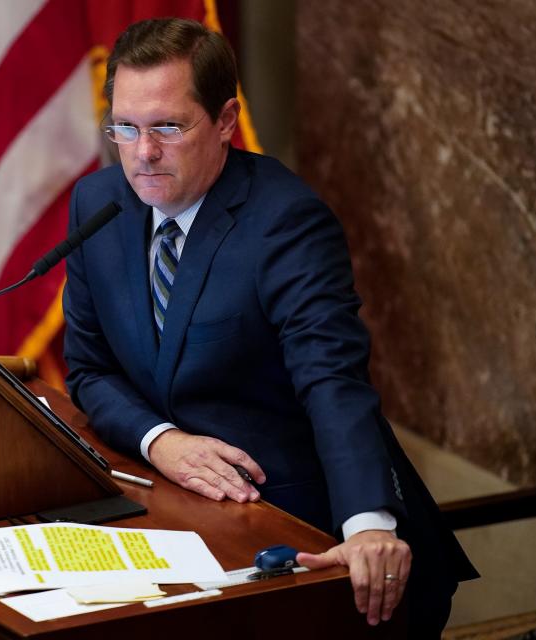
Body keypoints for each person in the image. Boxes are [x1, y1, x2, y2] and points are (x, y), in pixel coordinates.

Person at [62, 17, 476, 635]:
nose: (142, 152)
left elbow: (332, 381)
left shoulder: (285, 222)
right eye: (125, 127)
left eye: (168, 127)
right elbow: (89, 369)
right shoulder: (99, 204)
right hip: (176, 511)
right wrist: (160, 440)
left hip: (299, 527)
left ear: (226, 121)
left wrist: (368, 528)